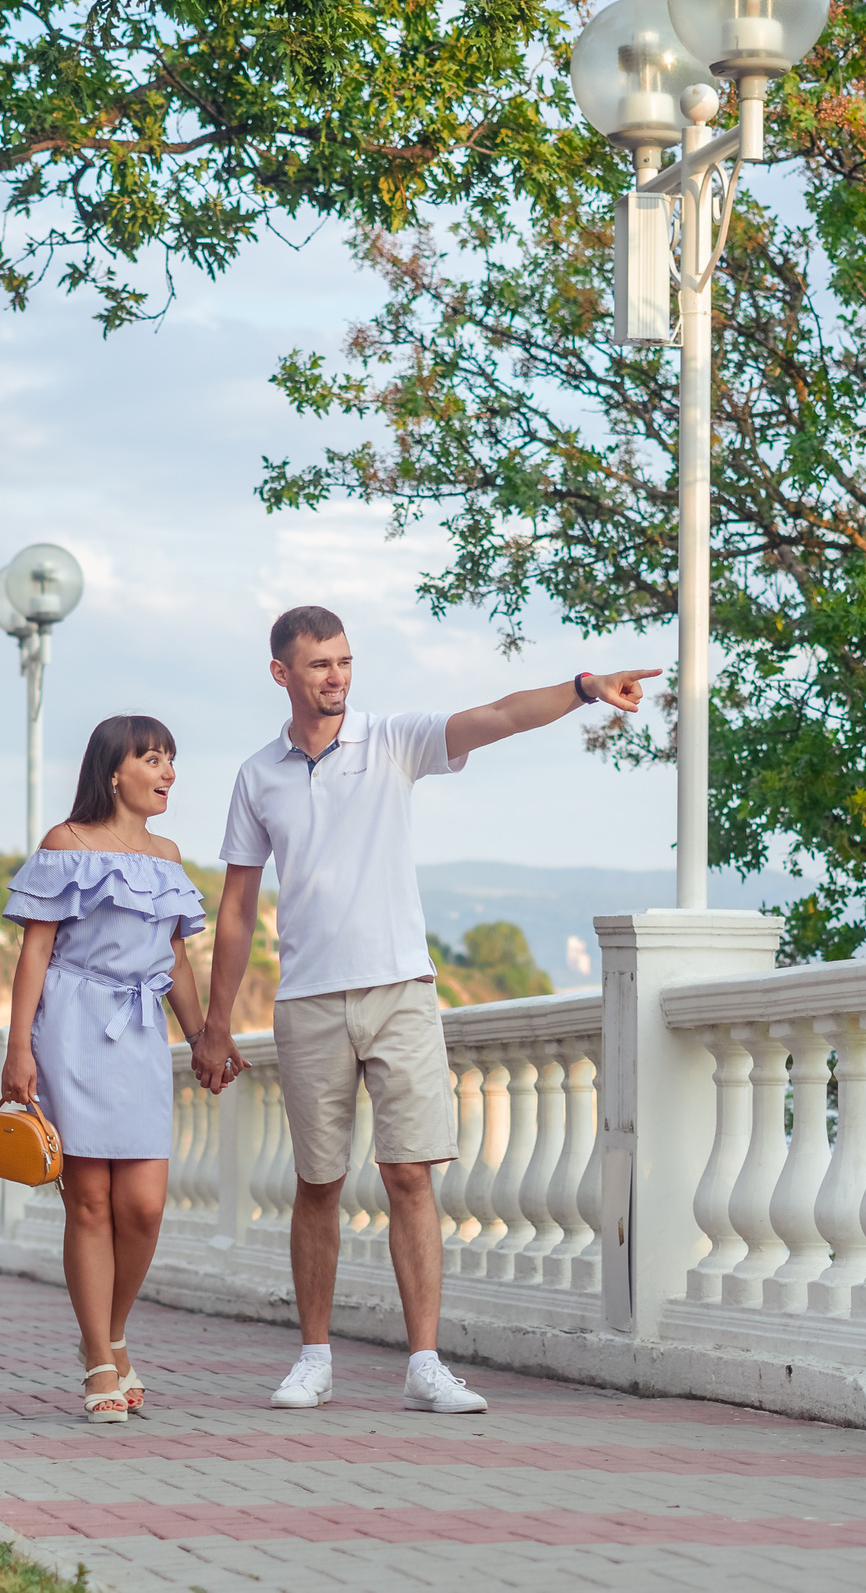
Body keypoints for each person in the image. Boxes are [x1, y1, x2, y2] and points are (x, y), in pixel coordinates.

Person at [202, 605, 656, 1415]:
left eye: (344, 661)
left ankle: (424, 1362)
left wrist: (584, 687)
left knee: (411, 1175)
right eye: (318, 665)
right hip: (307, 998)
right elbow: (236, 908)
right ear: (282, 674)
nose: (337, 676)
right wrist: (213, 1020)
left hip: (402, 989)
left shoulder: (391, 738)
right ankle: (314, 1357)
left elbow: (498, 716)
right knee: (317, 1181)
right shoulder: (256, 775)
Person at [2, 714, 238, 1426]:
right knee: (91, 1202)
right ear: (114, 770)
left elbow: (177, 960)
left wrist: (202, 1036)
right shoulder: (64, 844)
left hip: (138, 1033)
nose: (167, 772)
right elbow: (35, 953)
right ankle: (101, 1360)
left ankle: (108, 1331)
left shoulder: (167, 855)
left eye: (171, 759)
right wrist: (19, 1049)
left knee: (143, 1205)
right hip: (71, 1026)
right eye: (153, 758)